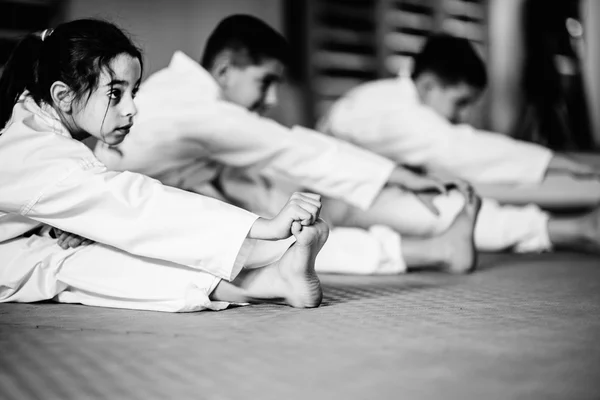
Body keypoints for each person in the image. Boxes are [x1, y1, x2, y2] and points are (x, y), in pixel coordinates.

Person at [95, 15, 481, 275]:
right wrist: (402, 176)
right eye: (265, 82)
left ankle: (437, 242)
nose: (273, 98)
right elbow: (294, 148)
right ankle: (437, 250)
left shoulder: (181, 91)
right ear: (226, 71)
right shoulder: (200, 111)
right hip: (118, 221)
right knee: (285, 237)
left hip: (154, 197)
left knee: (276, 198)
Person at [0, 18, 331, 313]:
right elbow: (135, 203)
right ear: (63, 95)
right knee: (68, 260)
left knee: (69, 255)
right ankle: (269, 281)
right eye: (115, 94)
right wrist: (264, 226)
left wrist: (57, 223)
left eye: (134, 92)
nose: (132, 109)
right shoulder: (35, 149)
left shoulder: (39, 128)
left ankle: (273, 281)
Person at [317, 33, 600, 254]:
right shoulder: (393, 113)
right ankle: (574, 229)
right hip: (336, 207)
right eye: (460, 102)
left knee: (458, 200)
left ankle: (569, 228)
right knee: (453, 212)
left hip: (363, 191)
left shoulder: (390, 97)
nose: (461, 116)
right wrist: (563, 163)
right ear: (428, 85)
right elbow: (462, 149)